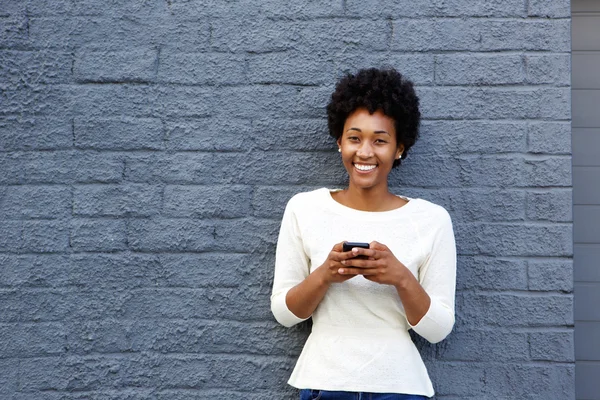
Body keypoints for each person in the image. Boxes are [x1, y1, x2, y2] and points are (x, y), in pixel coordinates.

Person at [270, 68, 456, 400]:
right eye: (354, 138)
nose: (365, 152)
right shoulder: (304, 209)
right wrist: (325, 274)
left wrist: (400, 277)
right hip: (323, 383)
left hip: (400, 387)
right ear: (339, 141)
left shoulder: (431, 220)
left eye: (380, 140)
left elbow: (438, 330)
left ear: (399, 148)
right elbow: (285, 314)